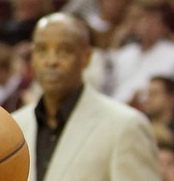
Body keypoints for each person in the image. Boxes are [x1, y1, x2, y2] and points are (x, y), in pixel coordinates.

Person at [12, 12, 159, 181]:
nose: (51, 61)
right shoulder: (14, 126)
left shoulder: (125, 126)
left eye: (64, 51)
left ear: (86, 57)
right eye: (42, 50)